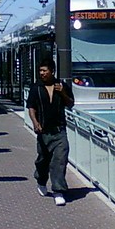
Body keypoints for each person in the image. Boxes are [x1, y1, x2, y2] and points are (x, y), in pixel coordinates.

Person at [25, 57, 74, 206]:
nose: (42, 73)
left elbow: (70, 103)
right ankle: (41, 180)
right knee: (43, 160)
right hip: (43, 131)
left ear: (52, 71)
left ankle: (58, 191)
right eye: (40, 71)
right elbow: (31, 107)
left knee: (59, 160)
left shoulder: (61, 86)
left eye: (44, 71)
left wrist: (63, 93)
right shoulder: (36, 88)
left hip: (59, 131)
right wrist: (35, 122)